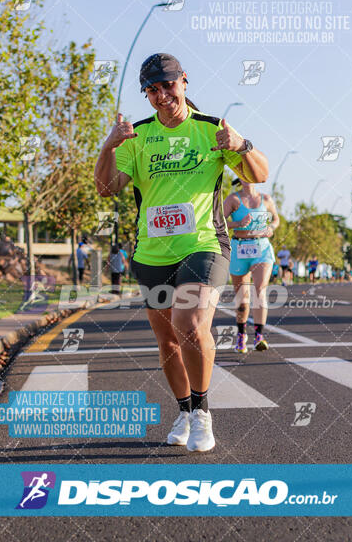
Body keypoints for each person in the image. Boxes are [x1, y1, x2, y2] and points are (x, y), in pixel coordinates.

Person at [94, 52, 268, 452]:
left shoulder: (212, 129)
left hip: (204, 246)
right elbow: (106, 188)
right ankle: (185, 410)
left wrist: (242, 145)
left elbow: (259, 174)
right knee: (168, 340)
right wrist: (109, 145)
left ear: (184, 81)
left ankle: (203, 413)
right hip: (152, 253)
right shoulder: (135, 137)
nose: (161, 95)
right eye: (151, 90)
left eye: (167, 85)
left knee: (188, 324)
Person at [224, 180, 279, 353]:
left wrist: (271, 227)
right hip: (239, 247)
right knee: (242, 299)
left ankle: (259, 336)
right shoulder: (233, 199)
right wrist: (238, 224)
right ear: (239, 178)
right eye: (243, 174)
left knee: (260, 290)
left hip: (261, 247)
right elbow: (218, 222)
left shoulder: (266, 199)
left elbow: (276, 219)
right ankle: (241, 335)